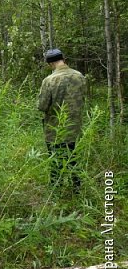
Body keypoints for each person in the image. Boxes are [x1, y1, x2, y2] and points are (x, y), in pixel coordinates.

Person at [37, 48, 86, 191]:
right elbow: (83, 99)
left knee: (55, 160)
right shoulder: (80, 76)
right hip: (75, 127)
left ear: (50, 64)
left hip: (55, 129)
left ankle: (56, 190)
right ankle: (76, 189)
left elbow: (42, 106)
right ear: (63, 59)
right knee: (73, 159)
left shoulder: (49, 80)